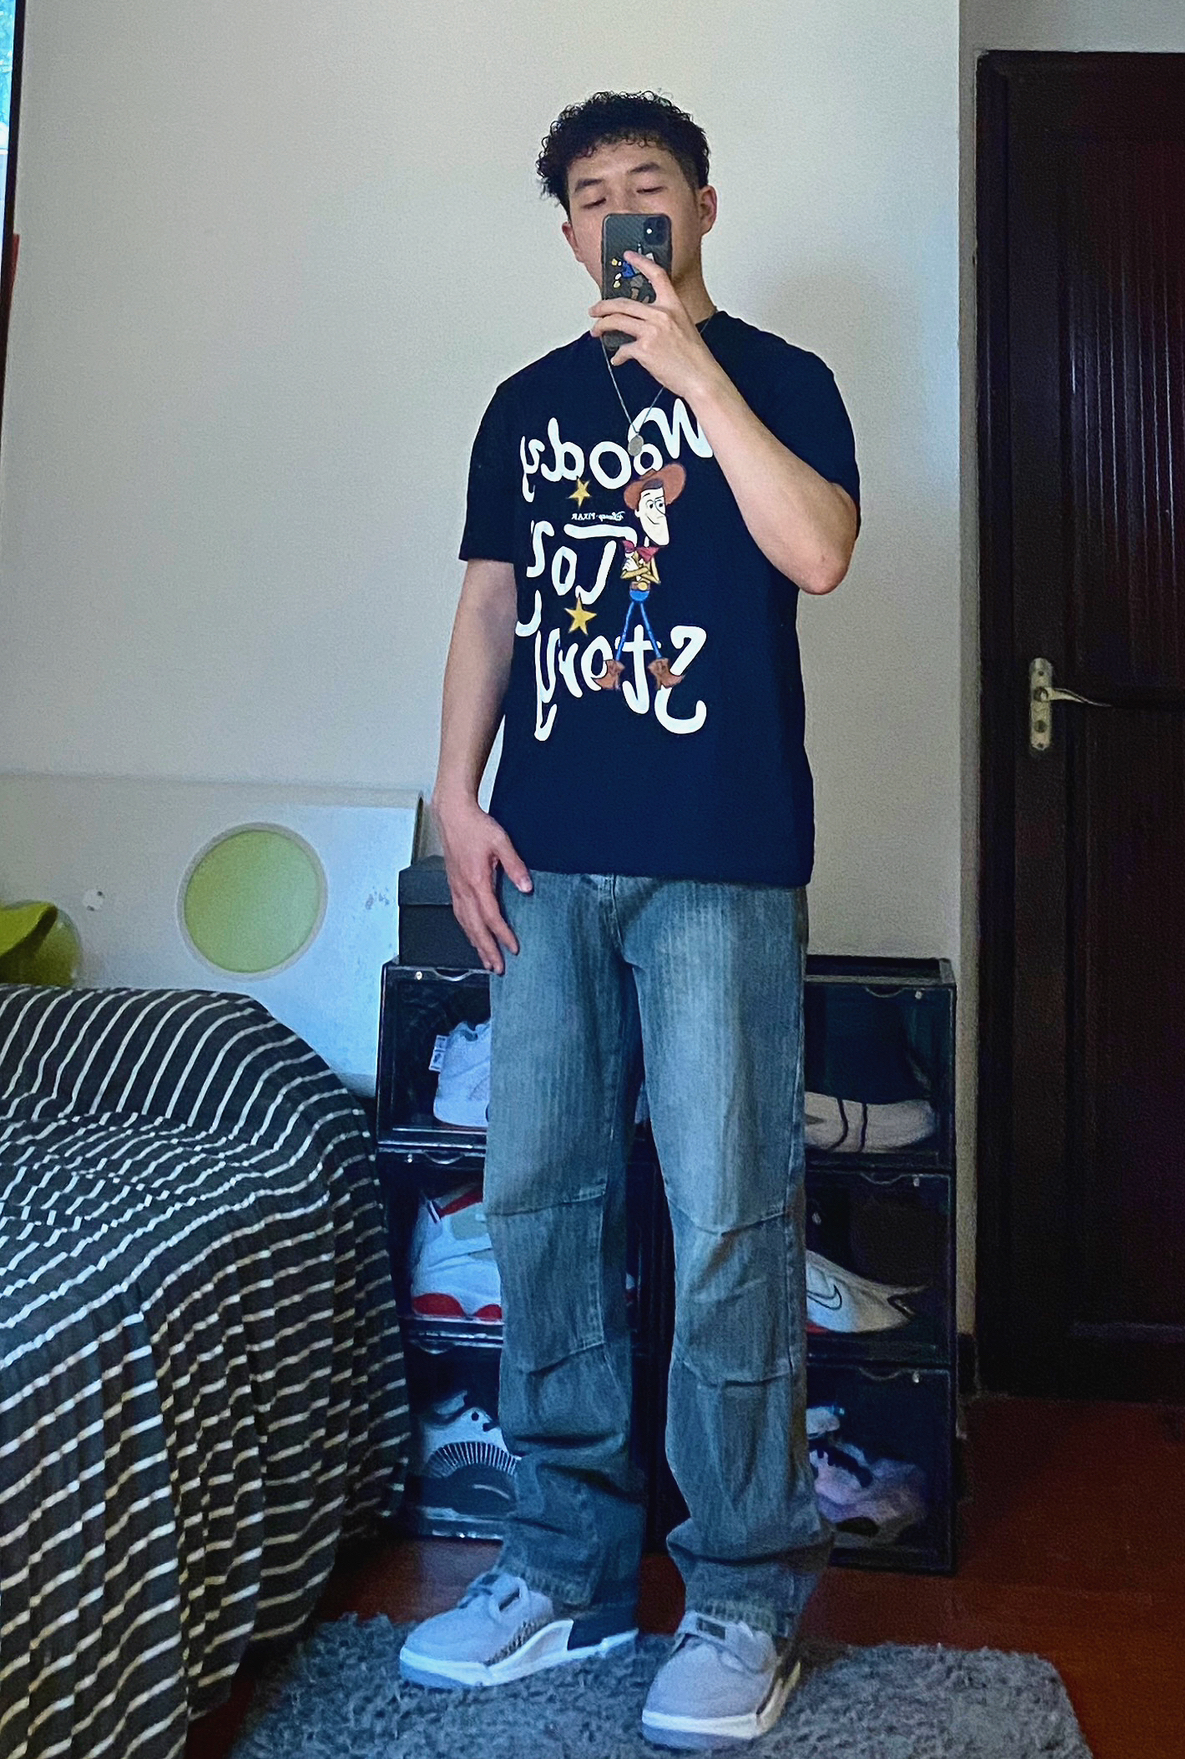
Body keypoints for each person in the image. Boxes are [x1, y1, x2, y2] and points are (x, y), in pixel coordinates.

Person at [398, 90, 860, 1750]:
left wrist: (695, 376)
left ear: (703, 209)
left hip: (721, 862)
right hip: (548, 862)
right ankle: (563, 1568)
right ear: (567, 231)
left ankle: (741, 1597)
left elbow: (817, 553)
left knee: (731, 1216)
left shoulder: (781, 381)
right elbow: (489, 604)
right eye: (590, 198)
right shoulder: (523, 406)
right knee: (540, 1205)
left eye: (644, 189)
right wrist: (454, 798)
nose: (617, 217)